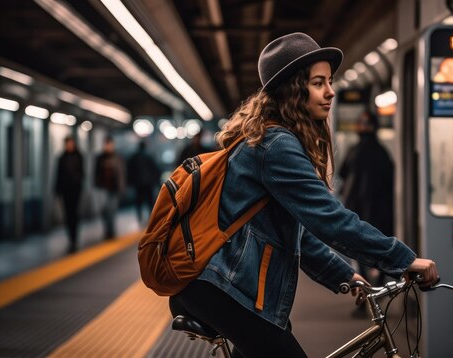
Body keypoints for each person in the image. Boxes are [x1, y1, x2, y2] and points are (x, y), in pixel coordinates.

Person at [168, 32, 438, 357]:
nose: (330, 91)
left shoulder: (269, 139)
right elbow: (330, 219)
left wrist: (343, 274)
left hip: (227, 286)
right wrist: (403, 259)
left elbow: (296, 232)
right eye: (318, 83)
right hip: (225, 287)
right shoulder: (276, 145)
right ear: (294, 89)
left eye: (329, 81)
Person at [338, 111, 395, 315]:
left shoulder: (354, 151)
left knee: (359, 255)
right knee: (380, 254)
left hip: (358, 211)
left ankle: (365, 293)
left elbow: (343, 173)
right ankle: (378, 291)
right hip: (381, 212)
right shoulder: (382, 153)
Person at [55, 136, 84, 253]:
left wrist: (77, 181)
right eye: (67, 144)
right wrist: (57, 189)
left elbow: (82, 173)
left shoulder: (79, 156)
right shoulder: (61, 158)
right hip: (65, 191)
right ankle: (71, 238)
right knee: (68, 215)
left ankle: (74, 238)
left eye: (70, 143)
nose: (69, 145)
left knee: (74, 214)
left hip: (75, 190)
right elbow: (58, 174)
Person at [94, 136, 126, 239]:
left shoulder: (117, 157)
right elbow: (96, 173)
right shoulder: (100, 158)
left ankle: (111, 231)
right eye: (106, 145)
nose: (108, 147)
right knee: (104, 209)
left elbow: (121, 173)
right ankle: (107, 229)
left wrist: (122, 186)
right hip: (103, 188)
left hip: (114, 188)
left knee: (112, 209)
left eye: (109, 145)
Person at [127, 141, 159, 225]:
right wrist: (156, 181)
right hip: (149, 183)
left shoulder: (134, 157)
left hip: (138, 184)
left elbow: (130, 170)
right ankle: (151, 218)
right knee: (150, 202)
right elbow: (155, 169)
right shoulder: (149, 156)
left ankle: (140, 218)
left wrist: (131, 182)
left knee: (139, 202)